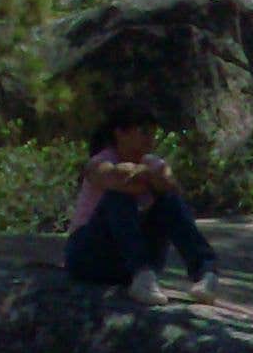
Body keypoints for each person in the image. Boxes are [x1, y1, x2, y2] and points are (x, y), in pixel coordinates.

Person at [65, 105, 218, 303]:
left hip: (128, 262)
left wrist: (149, 176)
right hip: (90, 255)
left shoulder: (154, 163)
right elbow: (116, 178)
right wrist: (148, 177)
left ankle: (205, 273)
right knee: (118, 196)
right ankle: (142, 275)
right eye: (144, 132)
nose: (150, 139)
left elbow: (172, 188)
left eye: (153, 133)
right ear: (120, 133)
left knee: (168, 200)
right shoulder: (100, 161)